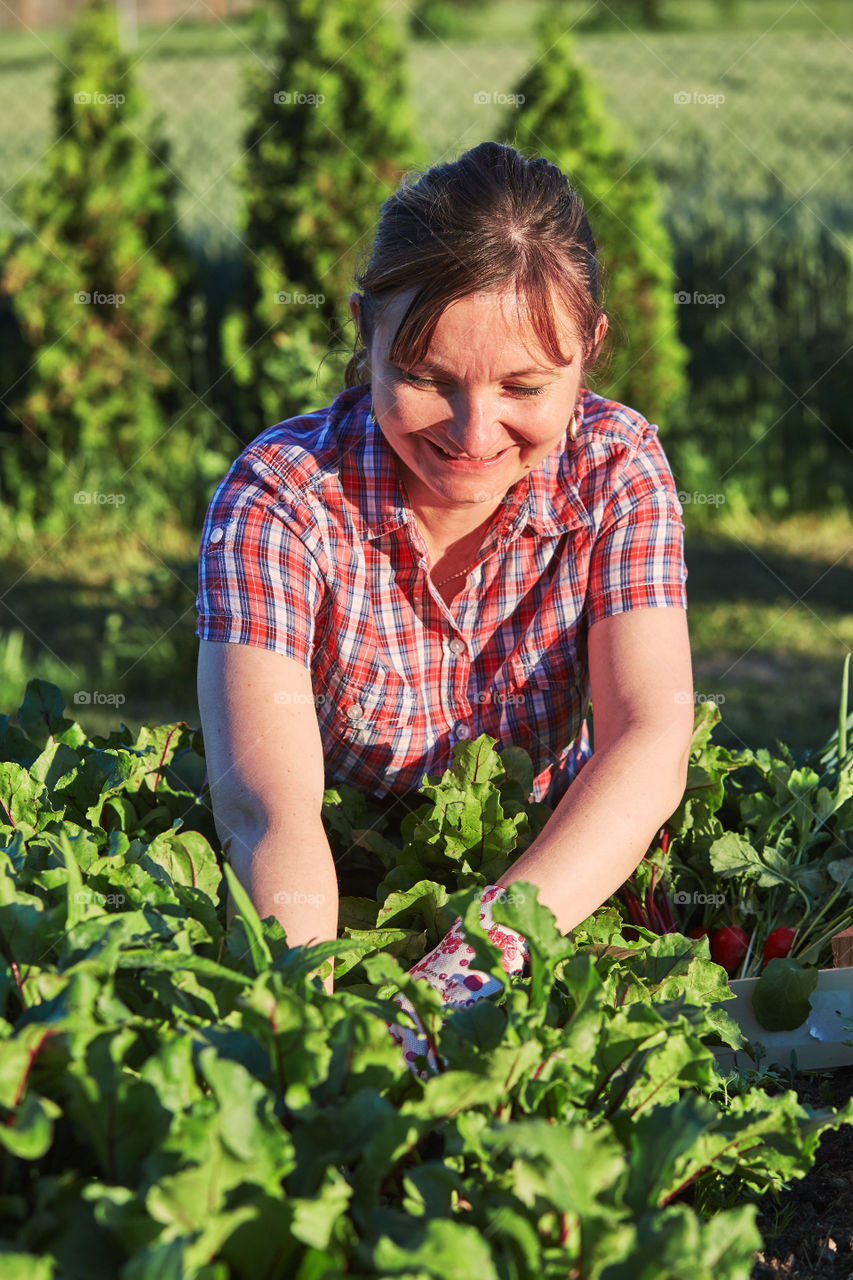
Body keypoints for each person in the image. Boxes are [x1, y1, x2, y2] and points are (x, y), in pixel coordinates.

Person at [195, 141, 694, 1076]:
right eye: (425, 378)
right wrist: (314, 1033)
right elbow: (270, 811)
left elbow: (645, 738)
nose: (472, 436)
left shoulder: (616, 468)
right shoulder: (281, 494)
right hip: (330, 892)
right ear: (366, 334)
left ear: (587, 349)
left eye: (523, 388)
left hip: (550, 884)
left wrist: (466, 971)